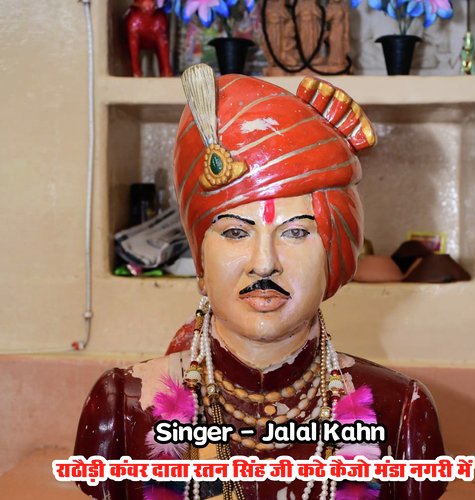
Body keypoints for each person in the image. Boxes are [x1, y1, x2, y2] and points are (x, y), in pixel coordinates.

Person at [74, 65, 446, 499]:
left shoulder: (400, 413)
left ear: (333, 257)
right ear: (200, 261)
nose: (264, 264)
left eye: (296, 232)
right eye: (235, 232)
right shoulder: (121, 407)